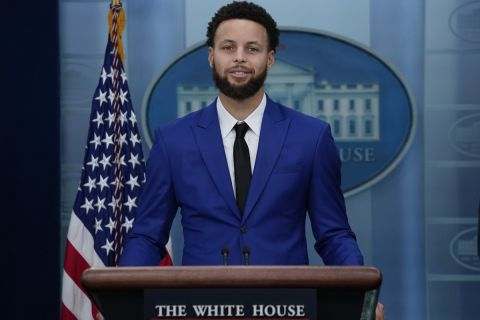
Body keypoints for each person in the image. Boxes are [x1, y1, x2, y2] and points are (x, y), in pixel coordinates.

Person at [120, 1, 363, 267]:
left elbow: (334, 235)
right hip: (200, 303)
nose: (239, 57)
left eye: (252, 49)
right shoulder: (173, 141)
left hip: (286, 303)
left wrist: (362, 298)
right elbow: (147, 237)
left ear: (270, 58)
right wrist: (122, 303)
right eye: (228, 47)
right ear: (212, 55)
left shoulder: (312, 138)